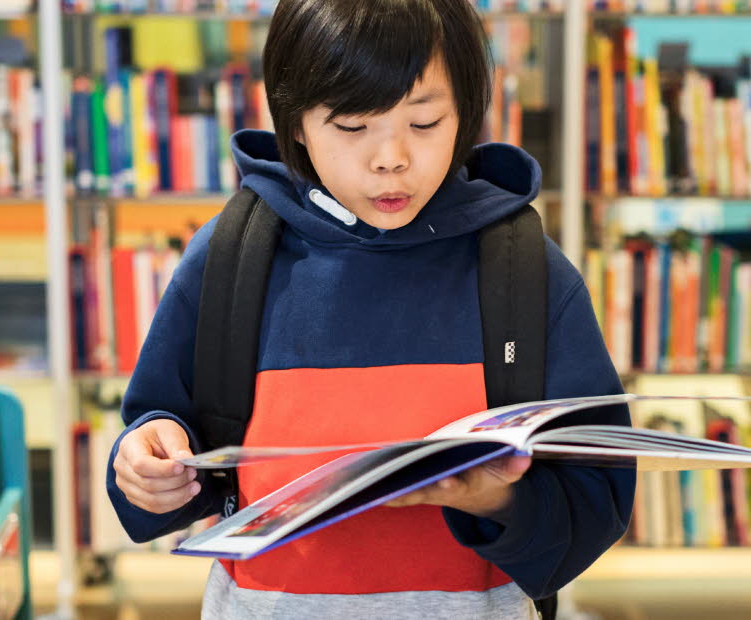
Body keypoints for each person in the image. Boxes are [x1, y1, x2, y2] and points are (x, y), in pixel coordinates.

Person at [107, 0, 634, 616]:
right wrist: (150, 464)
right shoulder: (233, 256)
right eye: (354, 126)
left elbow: (598, 500)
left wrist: (497, 502)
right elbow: (160, 436)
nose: (392, 158)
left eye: (426, 123)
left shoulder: (522, 268)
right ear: (295, 121)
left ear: (466, 112)